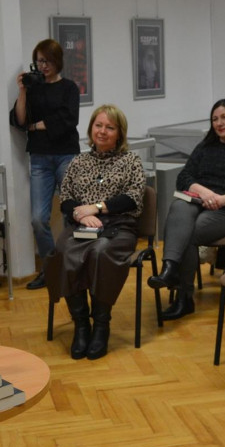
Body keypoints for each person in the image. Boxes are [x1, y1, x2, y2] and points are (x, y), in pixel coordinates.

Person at [148, 99, 225, 320]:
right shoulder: (204, 148)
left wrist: (222, 200)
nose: (219, 123)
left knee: (189, 233)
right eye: (215, 119)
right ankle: (169, 268)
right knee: (178, 207)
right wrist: (204, 192)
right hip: (201, 203)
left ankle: (183, 295)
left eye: (224, 117)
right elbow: (184, 177)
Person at [50, 105, 145, 360]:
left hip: (119, 227)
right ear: (91, 128)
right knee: (64, 251)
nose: (102, 131)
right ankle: (81, 325)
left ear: (119, 133)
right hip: (83, 225)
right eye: (98, 125)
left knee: (100, 252)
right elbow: (67, 198)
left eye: (110, 127)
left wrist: (98, 208)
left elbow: (133, 197)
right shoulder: (78, 161)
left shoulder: (131, 161)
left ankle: (101, 325)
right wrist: (82, 214)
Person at [10, 39, 81, 290]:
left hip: (66, 155)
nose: (43, 65)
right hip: (39, 157)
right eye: (39, 60)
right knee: (38, 219)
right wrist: (22, 91)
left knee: (70, 213)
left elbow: (69, 120)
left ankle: (71, 265)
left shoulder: (69, 88)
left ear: (57, 61)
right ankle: (51, 268)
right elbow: (19, 120)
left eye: (47, 60)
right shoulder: (34, 89)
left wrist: (38, 125)